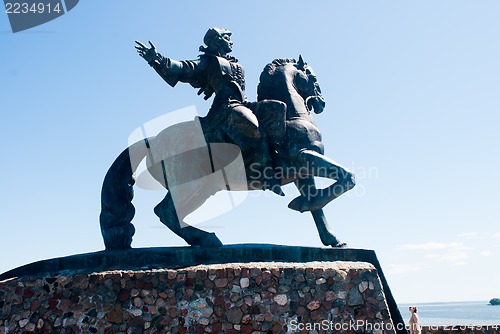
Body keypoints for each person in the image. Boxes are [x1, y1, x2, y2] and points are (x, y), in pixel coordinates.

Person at [135, 27, 284, 195]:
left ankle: (278, 156)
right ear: (217, 41)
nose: (231, 41)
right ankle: (266, 171)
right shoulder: (208, 61)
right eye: (227, 38)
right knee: (253, 126)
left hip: (243, 104)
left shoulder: (236, 65)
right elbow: (185, 68)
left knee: (277, 107)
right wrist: (157, 59)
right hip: (226, 108)